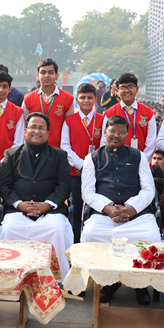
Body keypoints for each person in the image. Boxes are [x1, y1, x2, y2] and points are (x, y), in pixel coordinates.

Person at [81, 115, 162, 304]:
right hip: (104, 214)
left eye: (121, 132)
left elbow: (149, 189)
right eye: (113, 131)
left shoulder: (138, 156)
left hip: (136, 214)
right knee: (90, 235)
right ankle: (108, 283)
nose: (116, 135)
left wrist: (132, 208)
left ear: (127, 135)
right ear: (105, 132)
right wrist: (108, 208)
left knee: (151, 236)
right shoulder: (92, 158)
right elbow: (87, 192)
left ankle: (140, 284)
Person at [0, 112, 73, 278]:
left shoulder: (59, 155)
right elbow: (4, 186)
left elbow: (65, 185)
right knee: (9, 229)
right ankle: (10, 277)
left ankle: (55, 280)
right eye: (33, 127)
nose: (37, 131)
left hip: (51, 211)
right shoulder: (11, 154)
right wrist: (19, 204)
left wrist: (48, 204)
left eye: (41, 128)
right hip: (18, 210)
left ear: (48, 132)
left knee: (56, 229)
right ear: (25, 131)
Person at [60, 82, 104, 243]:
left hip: (97, 173)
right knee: (76, 209)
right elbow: (65, 147)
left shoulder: (102, 119)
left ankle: (93, 242)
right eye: (82, 97)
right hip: (75, 173)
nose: (86, 100)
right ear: (76, 100)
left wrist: (89, 167)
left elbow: (104, 146)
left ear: (95, 100)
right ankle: (76, 242)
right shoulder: (69, 121)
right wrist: (82, 165)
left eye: (90, 97)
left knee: (95, 209)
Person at [103, 73, 156, 163]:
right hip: (115, 164)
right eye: (123, 87)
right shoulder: (109, 113)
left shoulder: (148, 112)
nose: (127, 91)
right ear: (117, 90)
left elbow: (151, 142)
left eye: (131, 87)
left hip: (142, 164)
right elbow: (104, 141)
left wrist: (141, 162)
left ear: (137, 89)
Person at [22, 58, 75, 149]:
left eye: (50, 72)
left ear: (57, 76)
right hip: (32, 149)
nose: (46, 75)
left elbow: (69, 127)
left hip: (57, 150)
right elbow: (23, 124)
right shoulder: (28, 98)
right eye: (43, 72)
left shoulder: (68, 98)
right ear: (38, 76)